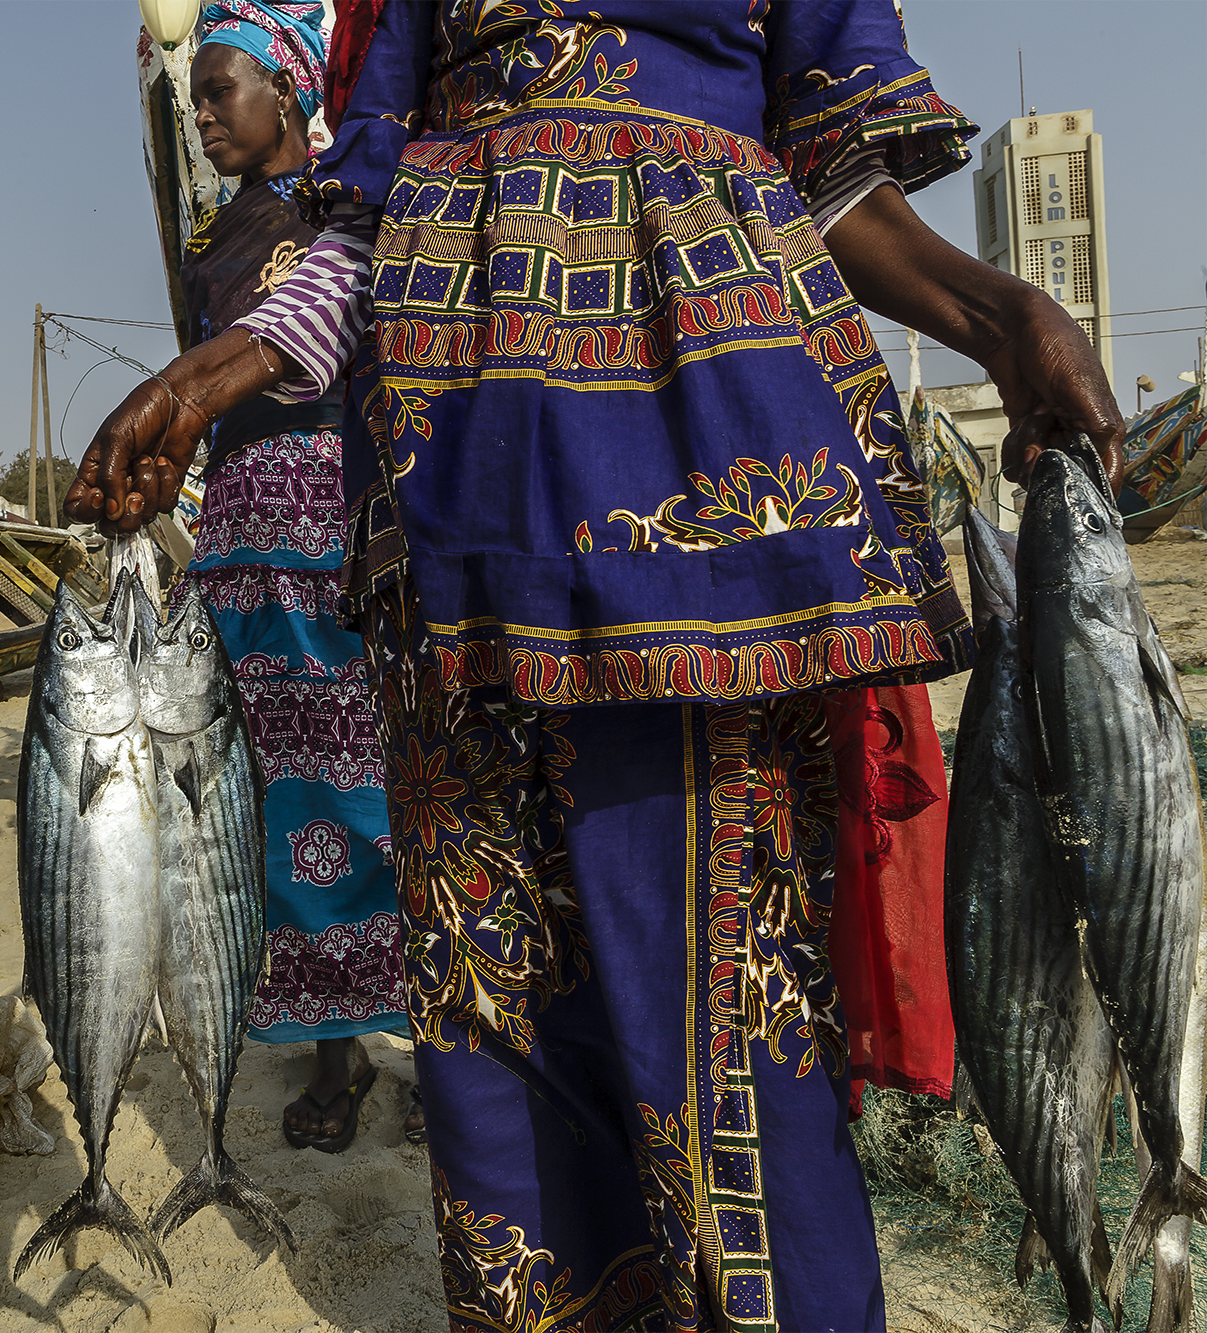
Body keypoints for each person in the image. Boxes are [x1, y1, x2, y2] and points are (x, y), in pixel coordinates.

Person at [66, 4, 1123, 1329]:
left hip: (704, 481)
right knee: (493, 987)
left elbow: (837, 175)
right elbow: (371, 214)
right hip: (454, 505)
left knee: (728, 1001)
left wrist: (1003, 313)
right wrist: (217, 370)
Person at [161, 1, 416, 1154]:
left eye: (223, 90)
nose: (204, 111)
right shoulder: (209, 241)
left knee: (350, 783)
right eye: (196, 94)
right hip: (234, 530)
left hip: (329, 520)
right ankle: (324, 1038)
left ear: (289, 93)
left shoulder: (343, 210)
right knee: (261, 790)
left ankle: (382, 1036)